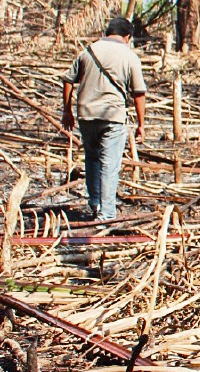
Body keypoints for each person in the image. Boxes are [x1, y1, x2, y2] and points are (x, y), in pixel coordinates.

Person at [61, 18, 147, 221]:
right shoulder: (129, 56)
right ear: (127, 37)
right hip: (113, 116)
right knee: (110, 164)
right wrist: (141, 124)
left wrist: (67, 111)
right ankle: (107, 213)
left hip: (86, 114)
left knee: (92, 158)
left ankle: (95, 202)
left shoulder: (88, 50)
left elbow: (67, 80)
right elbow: (139, 93)